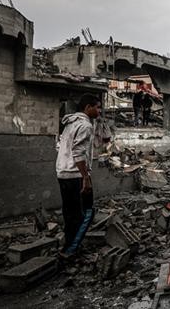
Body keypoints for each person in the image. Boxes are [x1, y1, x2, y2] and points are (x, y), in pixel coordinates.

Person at [56, 94, 101, 258]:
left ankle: (69, 245)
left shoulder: (69, 124)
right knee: (87, 213)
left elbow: (59, 145)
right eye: (97, 107)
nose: (99, 111)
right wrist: (85, 178)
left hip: (62, 172)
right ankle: (70, 250)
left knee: (70, 214)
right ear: (88, 107)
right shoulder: (85, 126)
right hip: (76, 175)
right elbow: (78, 152)